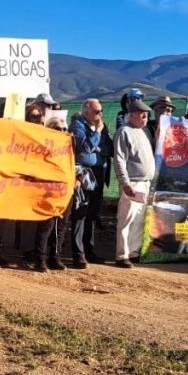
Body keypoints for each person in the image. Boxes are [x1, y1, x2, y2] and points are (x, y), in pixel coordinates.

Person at [112, 99, 156, 268]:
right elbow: (120, 160)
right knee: (126, 219)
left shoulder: (144, 131)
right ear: (131, 115)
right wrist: (125, 182)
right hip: (133, 183)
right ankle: (122, 255)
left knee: (138, 219)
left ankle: (134, 252)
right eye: (141, 114)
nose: (145, 116)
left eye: (146, 114)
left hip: (145, 183)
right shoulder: (124, 132)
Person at [69, 98, 113, 267]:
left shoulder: (103, 127)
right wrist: (97, 134)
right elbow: (85, 148)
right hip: (84, 173)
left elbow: (108, 148)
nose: (100, 115)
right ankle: (78, 253)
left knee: (93, 213)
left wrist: (98, 146)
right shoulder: (78, 125)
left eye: (101, 111)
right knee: (81, 211)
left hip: (99, 172)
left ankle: (90, 249)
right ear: (86, 112)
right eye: (96, 112)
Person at [33, 116, 71, 273]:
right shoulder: (42, 146)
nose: (61, 131)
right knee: (46, 225)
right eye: (57, 129)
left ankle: (55, 257)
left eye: (64, 129)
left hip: (65, 190)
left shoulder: (69, 147)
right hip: (48, 190)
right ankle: (40, 258)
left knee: (61, 225)